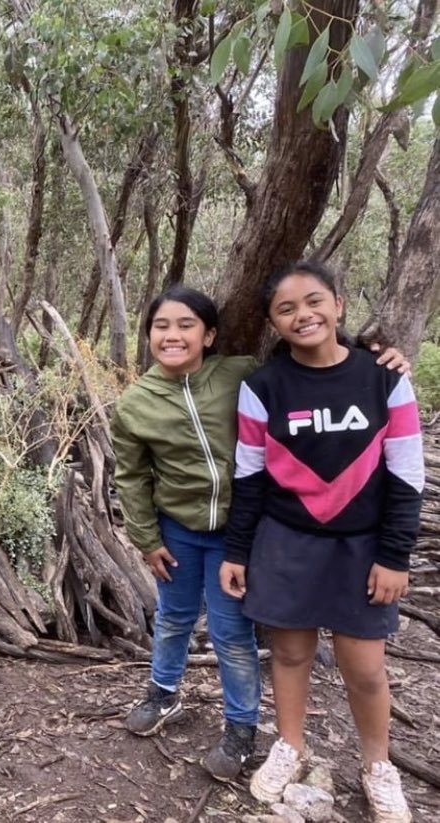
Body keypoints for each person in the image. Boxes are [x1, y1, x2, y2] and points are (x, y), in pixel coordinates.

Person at [112, 285, 408, 783]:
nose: (172, 335)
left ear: (210, 336)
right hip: (177, 532)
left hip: (238, 536)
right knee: (173, 617)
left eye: (186, 325)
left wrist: (373, 353)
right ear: (148, 336)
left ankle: (241, 726)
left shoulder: (241, 374)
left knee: (231, 633)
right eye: (161, 326)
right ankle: (162, 693)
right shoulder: (136, 403)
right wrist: (146, 538)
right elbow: (132, 476)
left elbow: (308, 363)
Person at [219, 261, 421, 823]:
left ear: (338, 305)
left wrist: (394, 555)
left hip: (363, 548)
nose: (303, 315)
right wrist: (237, 551)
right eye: (286, 309)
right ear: (273, 323)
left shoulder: (384, 379)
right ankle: (290, 746)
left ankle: (378, 766)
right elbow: (249, 476)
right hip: (286, 543)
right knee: (289, 653)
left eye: (314, 301)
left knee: (365, 668)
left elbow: (406, 475)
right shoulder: (263, 387)